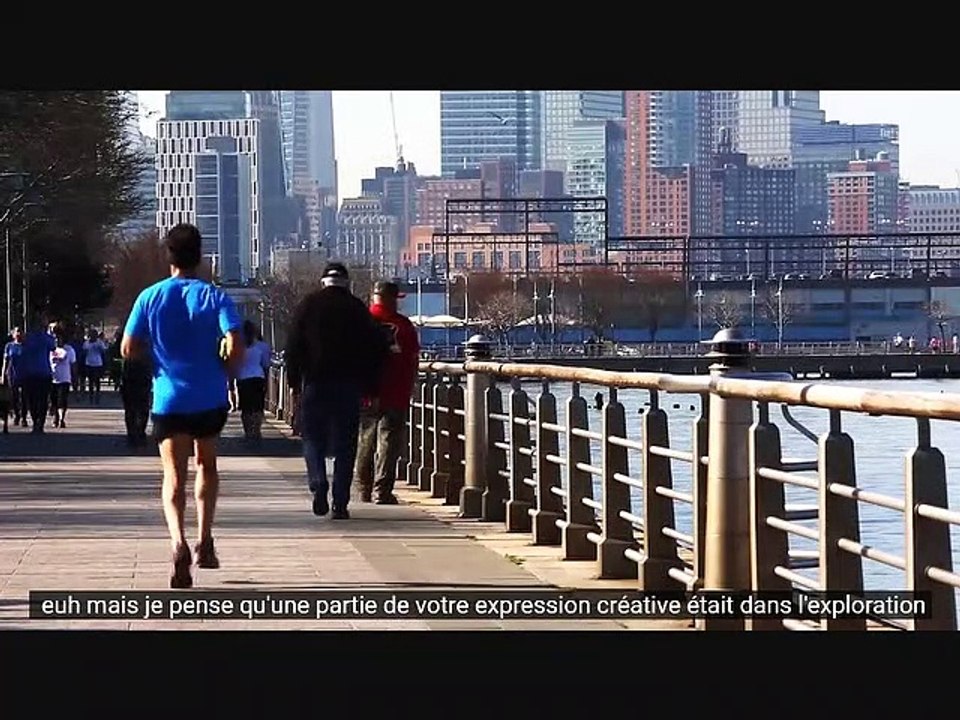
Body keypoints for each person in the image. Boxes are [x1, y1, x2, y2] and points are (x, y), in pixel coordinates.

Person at [121, 223, 243, 589]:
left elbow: (128, 348)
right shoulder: (214, 296)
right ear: (200, 256)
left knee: (173, 475)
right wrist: (229, 367)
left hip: (168, 397)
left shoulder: (150, 297)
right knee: (207, 464)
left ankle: (178, 543)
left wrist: (155, 354)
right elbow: (236, 339)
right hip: (208, 396)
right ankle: (205, 538)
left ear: (168, 256)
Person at [285, 262, 389, 520]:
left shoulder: (307, 307)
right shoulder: (357, 309)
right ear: (346, 282)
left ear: (323, 282)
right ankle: (340, 502)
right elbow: (375, 349)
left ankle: (318, 484)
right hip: (348, 386)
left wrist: (294, 383)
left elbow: (293, 347)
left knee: (312, 439)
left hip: (315, 384)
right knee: (346, 445)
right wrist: (372, 388)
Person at [354, 281, 420, 505]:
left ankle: (363, 487)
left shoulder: (361, 322)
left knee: (365, 439)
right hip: (396, 390)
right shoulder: (403, 326)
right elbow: (412, 358)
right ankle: (382, 490)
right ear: (391, 299)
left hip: (366, 391)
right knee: (389, 441)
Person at [235, 320, 272, 443]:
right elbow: (266, 364)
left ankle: (248, 432)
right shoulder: (262, 346)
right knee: (257, 407)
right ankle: (256, 430)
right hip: (258, 377)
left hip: (243, 378)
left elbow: (235, 364)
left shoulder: (239, 346)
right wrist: (266, 380)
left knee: (246, 408)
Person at [18, 316, 57, 433]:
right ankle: (40, 423)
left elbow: (21, 349)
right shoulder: (48, 338)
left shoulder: (27, 338)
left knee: (32, 400)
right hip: (43, 372)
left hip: (30, 373)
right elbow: (53, 348)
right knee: (43, 399)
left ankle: (36, 421)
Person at [119, 355, 153, 447]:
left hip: (138, 384)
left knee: (135, 411)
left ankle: (136, 433)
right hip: (137, 384)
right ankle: (136, 433)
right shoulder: (145, 356)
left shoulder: (130, 356)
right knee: (137, 410)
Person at [49, 333, 76, 429]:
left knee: (62, 400)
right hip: (52, 379)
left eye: (58, 339)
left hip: (65, 379)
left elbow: (73, 364)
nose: (56, 341)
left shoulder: (69, 350)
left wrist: (74, 378)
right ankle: (55, 418)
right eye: (55, 340)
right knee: (54, 400)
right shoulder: (50, 350)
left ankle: (61, 419)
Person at [2, 327, 25, 427]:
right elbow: (5, 361)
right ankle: (17, 415)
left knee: (24, 397)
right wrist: (2, 375)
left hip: (24, 374)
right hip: (12, 374)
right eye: (17, 332)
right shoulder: (9, 346)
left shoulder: (26, 346)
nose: (18, 334)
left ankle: (24, 417)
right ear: (13, 334)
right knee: (14, 397)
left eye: (20, 332)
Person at [82, 329, 108, 404]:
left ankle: (97, 394)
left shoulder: (99, 342)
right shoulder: (86, 343)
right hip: (89, 363)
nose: (93, 336)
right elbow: (84, 352)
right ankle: (91, 395)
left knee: (97, 381)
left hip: (98, 363)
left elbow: (104, 351)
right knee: (90, 381)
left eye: (94, 335)